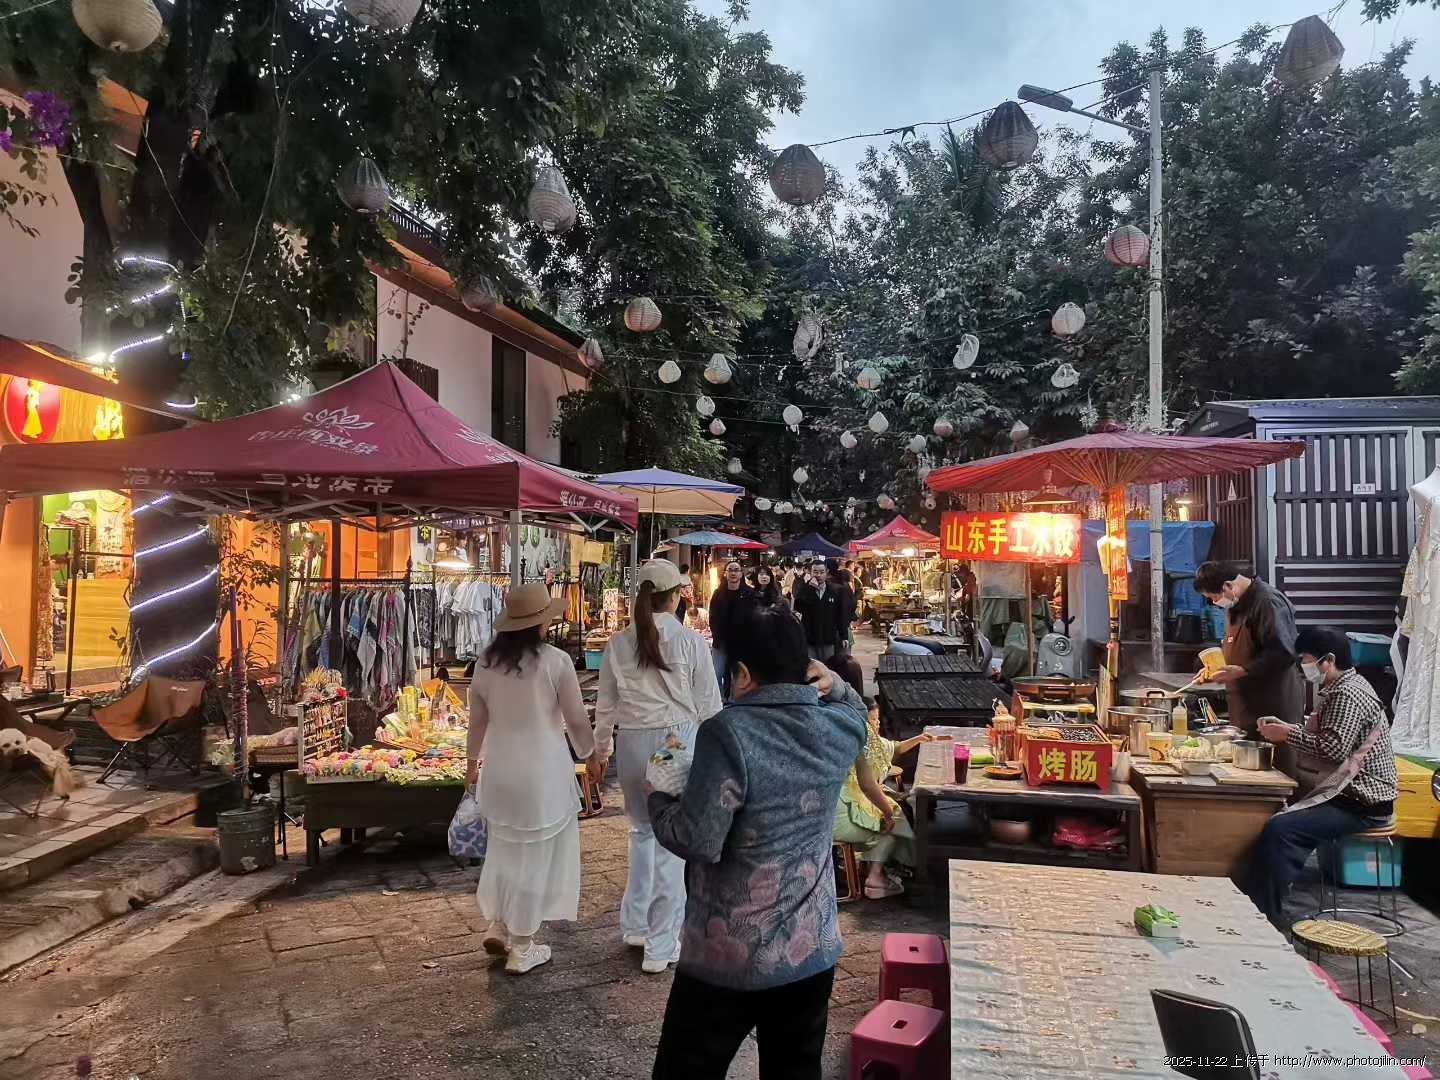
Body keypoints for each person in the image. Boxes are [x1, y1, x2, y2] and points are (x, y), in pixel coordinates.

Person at [648, 606, 892, 1080]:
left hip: (725, 957)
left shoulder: (727, 733)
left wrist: (658, 799)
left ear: (741, 673)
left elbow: (698, 839)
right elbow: (857, 712)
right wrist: (835, 685)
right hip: (809, 952)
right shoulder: (838, 727)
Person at [590, 561, 722, 974]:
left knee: (641, 832)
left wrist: (599, 752)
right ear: (676, 596)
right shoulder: (689, 641)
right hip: (675, 742)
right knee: (672, 842)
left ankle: (636, 926)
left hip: (632, 741)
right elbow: (710, 707)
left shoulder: (618, 642)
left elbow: (605, 706)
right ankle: (661, 944)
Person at [465, 582, 594, 975]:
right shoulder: (556, 662)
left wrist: (470, 763)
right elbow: (576, 719)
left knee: (505, 850)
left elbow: (477, 722)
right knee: (536, 856)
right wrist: (591, 753)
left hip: (500, 770)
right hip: (542, 773)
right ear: (540, 624)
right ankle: (522, 946)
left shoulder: (485, 662)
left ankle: (499, 923)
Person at [1244, 626, 1399, 929]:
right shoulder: (1343, 685)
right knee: (1276, 813)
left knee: (1281, 829)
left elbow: (1333, 748)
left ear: (1328, 660)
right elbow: (1331, 737)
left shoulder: (1347, 693)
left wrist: (1287, 734)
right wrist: (1288, 727)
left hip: (1363, 802)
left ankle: (1265, 918)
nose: (1303, 666)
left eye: (1305, 659)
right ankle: (1258, 902)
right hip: (1346, 793)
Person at [1193, 560, 1304, 736]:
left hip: (1272, 706)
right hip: (1244, 705)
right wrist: (1214, 669)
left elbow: (1284, 652)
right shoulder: (1234, 603)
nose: (1213, 602)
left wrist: (1243, 670)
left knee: (1273, 753)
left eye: (1214, 596)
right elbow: (1237, 647)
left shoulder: (1268, 602)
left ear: (1228, 586)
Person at [833, 701, 931, 898]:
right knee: (892, 821)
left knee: (892, 808)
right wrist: (887, 812)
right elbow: (868, 785)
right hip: (842, 813)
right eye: (872, 720)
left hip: (818, 812)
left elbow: (894, 748)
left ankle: (876, 870)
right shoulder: (863, 740)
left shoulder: (837, 735)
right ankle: (875, 877)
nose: (876, 724)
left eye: (878, 719)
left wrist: (920, 738)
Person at [706, 560, 754, 693]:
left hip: (741, 643)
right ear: (725, 574)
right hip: (720, 642)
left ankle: (734, 700)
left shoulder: (749, 593)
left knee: (738, 676)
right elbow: (712, 616)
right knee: (717, 673)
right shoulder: (718, 593)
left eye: (736, 570)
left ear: (741, 574)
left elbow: (753, 616)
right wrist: (716, 634)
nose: (733, 573)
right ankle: (719, 699)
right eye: (730, 570)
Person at [792, 559, 845, 662]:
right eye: (815, 572)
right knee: (812, 667)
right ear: (810, 572)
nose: (818, 575)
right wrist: (811, 589)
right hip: (810, 639)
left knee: (828, 667)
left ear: (827, 572)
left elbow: (839, 614)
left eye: (822, 572)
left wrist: (844, 635)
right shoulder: (804, 589)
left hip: (828, 639)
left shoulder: (833, 591)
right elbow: (798, 606)